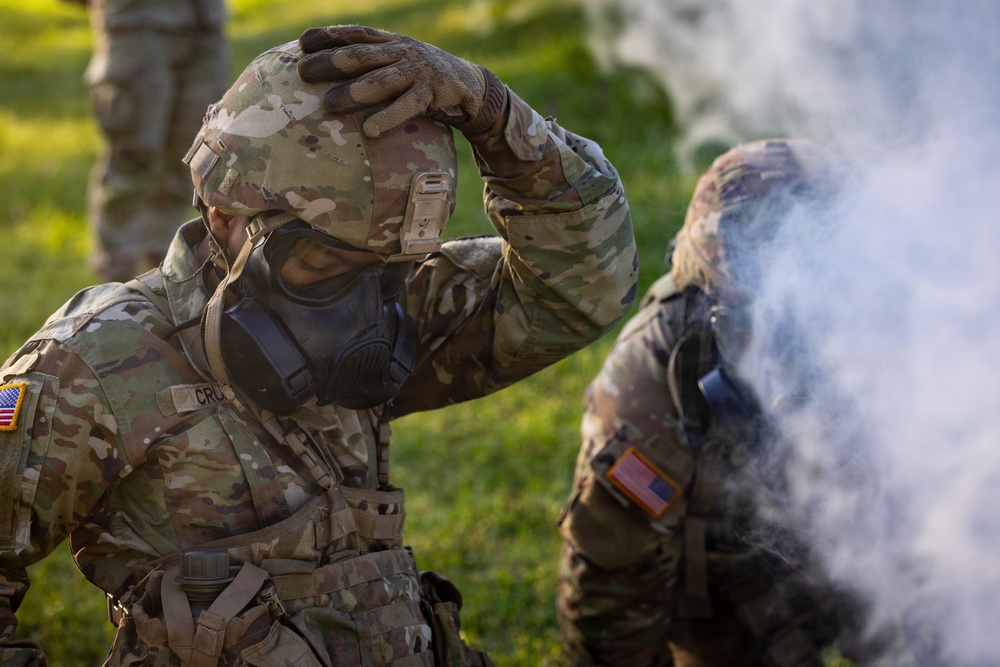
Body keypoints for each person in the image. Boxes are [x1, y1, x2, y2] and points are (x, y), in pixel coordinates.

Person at [0, 27, 637, 666]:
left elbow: (584, 286)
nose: (365, 314)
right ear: (225, 215)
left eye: (391, 269)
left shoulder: (393, 303)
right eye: (324, 266)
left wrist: (499, 118)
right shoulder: (96, 366)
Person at [556, 139, 875, 667]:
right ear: (714, 307)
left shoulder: (894, 331)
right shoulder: (654, 387)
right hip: (731, 613)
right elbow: (610, 618)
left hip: (850, 570)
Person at [69, 0, 228, 281]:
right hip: (138, 27)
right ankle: (113, 289)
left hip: (205, 26)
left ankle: (166, 277)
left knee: (195, 160)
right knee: (132, 163)